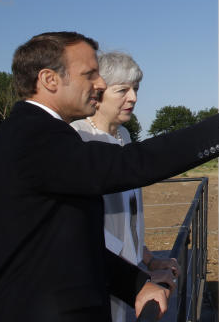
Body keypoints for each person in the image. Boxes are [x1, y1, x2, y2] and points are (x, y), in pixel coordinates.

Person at [0, 32, 219, 322]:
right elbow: (133, 163)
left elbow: (71, 246)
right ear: (49, 80)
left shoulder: (40, 133)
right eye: (89, 74)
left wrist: (138, 284)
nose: (100, 84)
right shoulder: (34, 137)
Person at [70, 51, 178, 322]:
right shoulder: (76, 138)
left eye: (136, 89)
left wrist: (148, 259)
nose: (134, 98)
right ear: (98, 92)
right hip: (93, 279)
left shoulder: (124, 136)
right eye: (123, 90)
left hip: (125, 273)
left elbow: (127, 217)